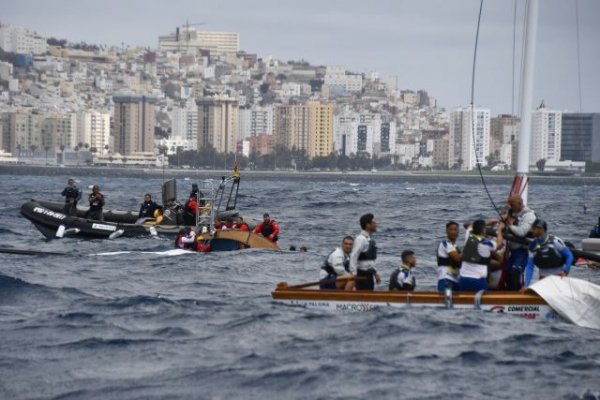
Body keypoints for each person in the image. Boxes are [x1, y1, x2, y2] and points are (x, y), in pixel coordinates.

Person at [522, 219, 574, 289]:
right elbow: (530, 267)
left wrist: (566, 271)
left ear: (541, 229)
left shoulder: (555, 241)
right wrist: (526, 285)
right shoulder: (532, 246)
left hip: (559, 277)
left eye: (534, 228)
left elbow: (569, 255)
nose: (532, 230)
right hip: (543, 279)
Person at [459, 219, 504, 292]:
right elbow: (499, 243)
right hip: (478, 280)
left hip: (463, 278)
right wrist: (500, 230)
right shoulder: (486, 243)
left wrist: (487, 223)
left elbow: (470, 226)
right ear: (483, 231)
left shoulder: (468, 236)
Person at [503, 195, 536, 290]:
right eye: (510, 205)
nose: (510, 207)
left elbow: (521, 232)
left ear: (520, 204)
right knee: (507, 274)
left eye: (512, 205)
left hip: (523, 251)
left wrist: (509, 224)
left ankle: (518, 296)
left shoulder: (529, 216)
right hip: (512, 251)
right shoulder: (512, 214)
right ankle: (508, 296)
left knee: (514, 273)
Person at [349, 213, 381, 291]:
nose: (376, 224)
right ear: (368, 225)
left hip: (369, 276)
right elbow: (353, 256)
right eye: (374, 223)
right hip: (361, 276)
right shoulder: (361, 239)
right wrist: (353, 275)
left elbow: (369, 261)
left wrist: (375, 272)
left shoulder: (369, 240)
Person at [436, 221, 462, 292]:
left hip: (456, 280)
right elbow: (457, 258)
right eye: (450, 229)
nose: (453, 232)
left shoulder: (456, 248)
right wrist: (469, 247)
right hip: (446, 279)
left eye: (455, 229)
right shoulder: (445, 244)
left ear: (458, 232)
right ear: (446, 231)